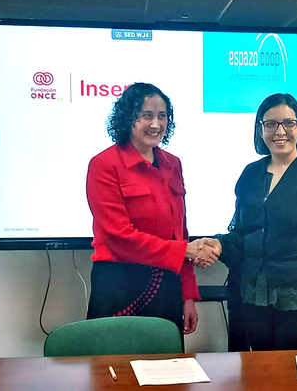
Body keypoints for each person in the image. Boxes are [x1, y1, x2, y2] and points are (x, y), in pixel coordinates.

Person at [200, 93, 297, 351]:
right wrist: (219, 245)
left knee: (296, 371)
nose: (280, 131)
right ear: (260, 129)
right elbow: (244, 234)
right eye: (271, 124)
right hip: (252, 299)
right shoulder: (250, 174)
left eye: (288, 123)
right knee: (258, 370)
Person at [85, 82, 219, 338]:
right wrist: (184, 251)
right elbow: (117, 236)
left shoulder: (172, 164)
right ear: (128, 118)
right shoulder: (104, 164)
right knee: (115, 361)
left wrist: (188, 296)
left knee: (167, 360)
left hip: (167, 286)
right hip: (119, 286)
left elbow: (180, 233)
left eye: (162, 116)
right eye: (147, 115)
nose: (156, 124)